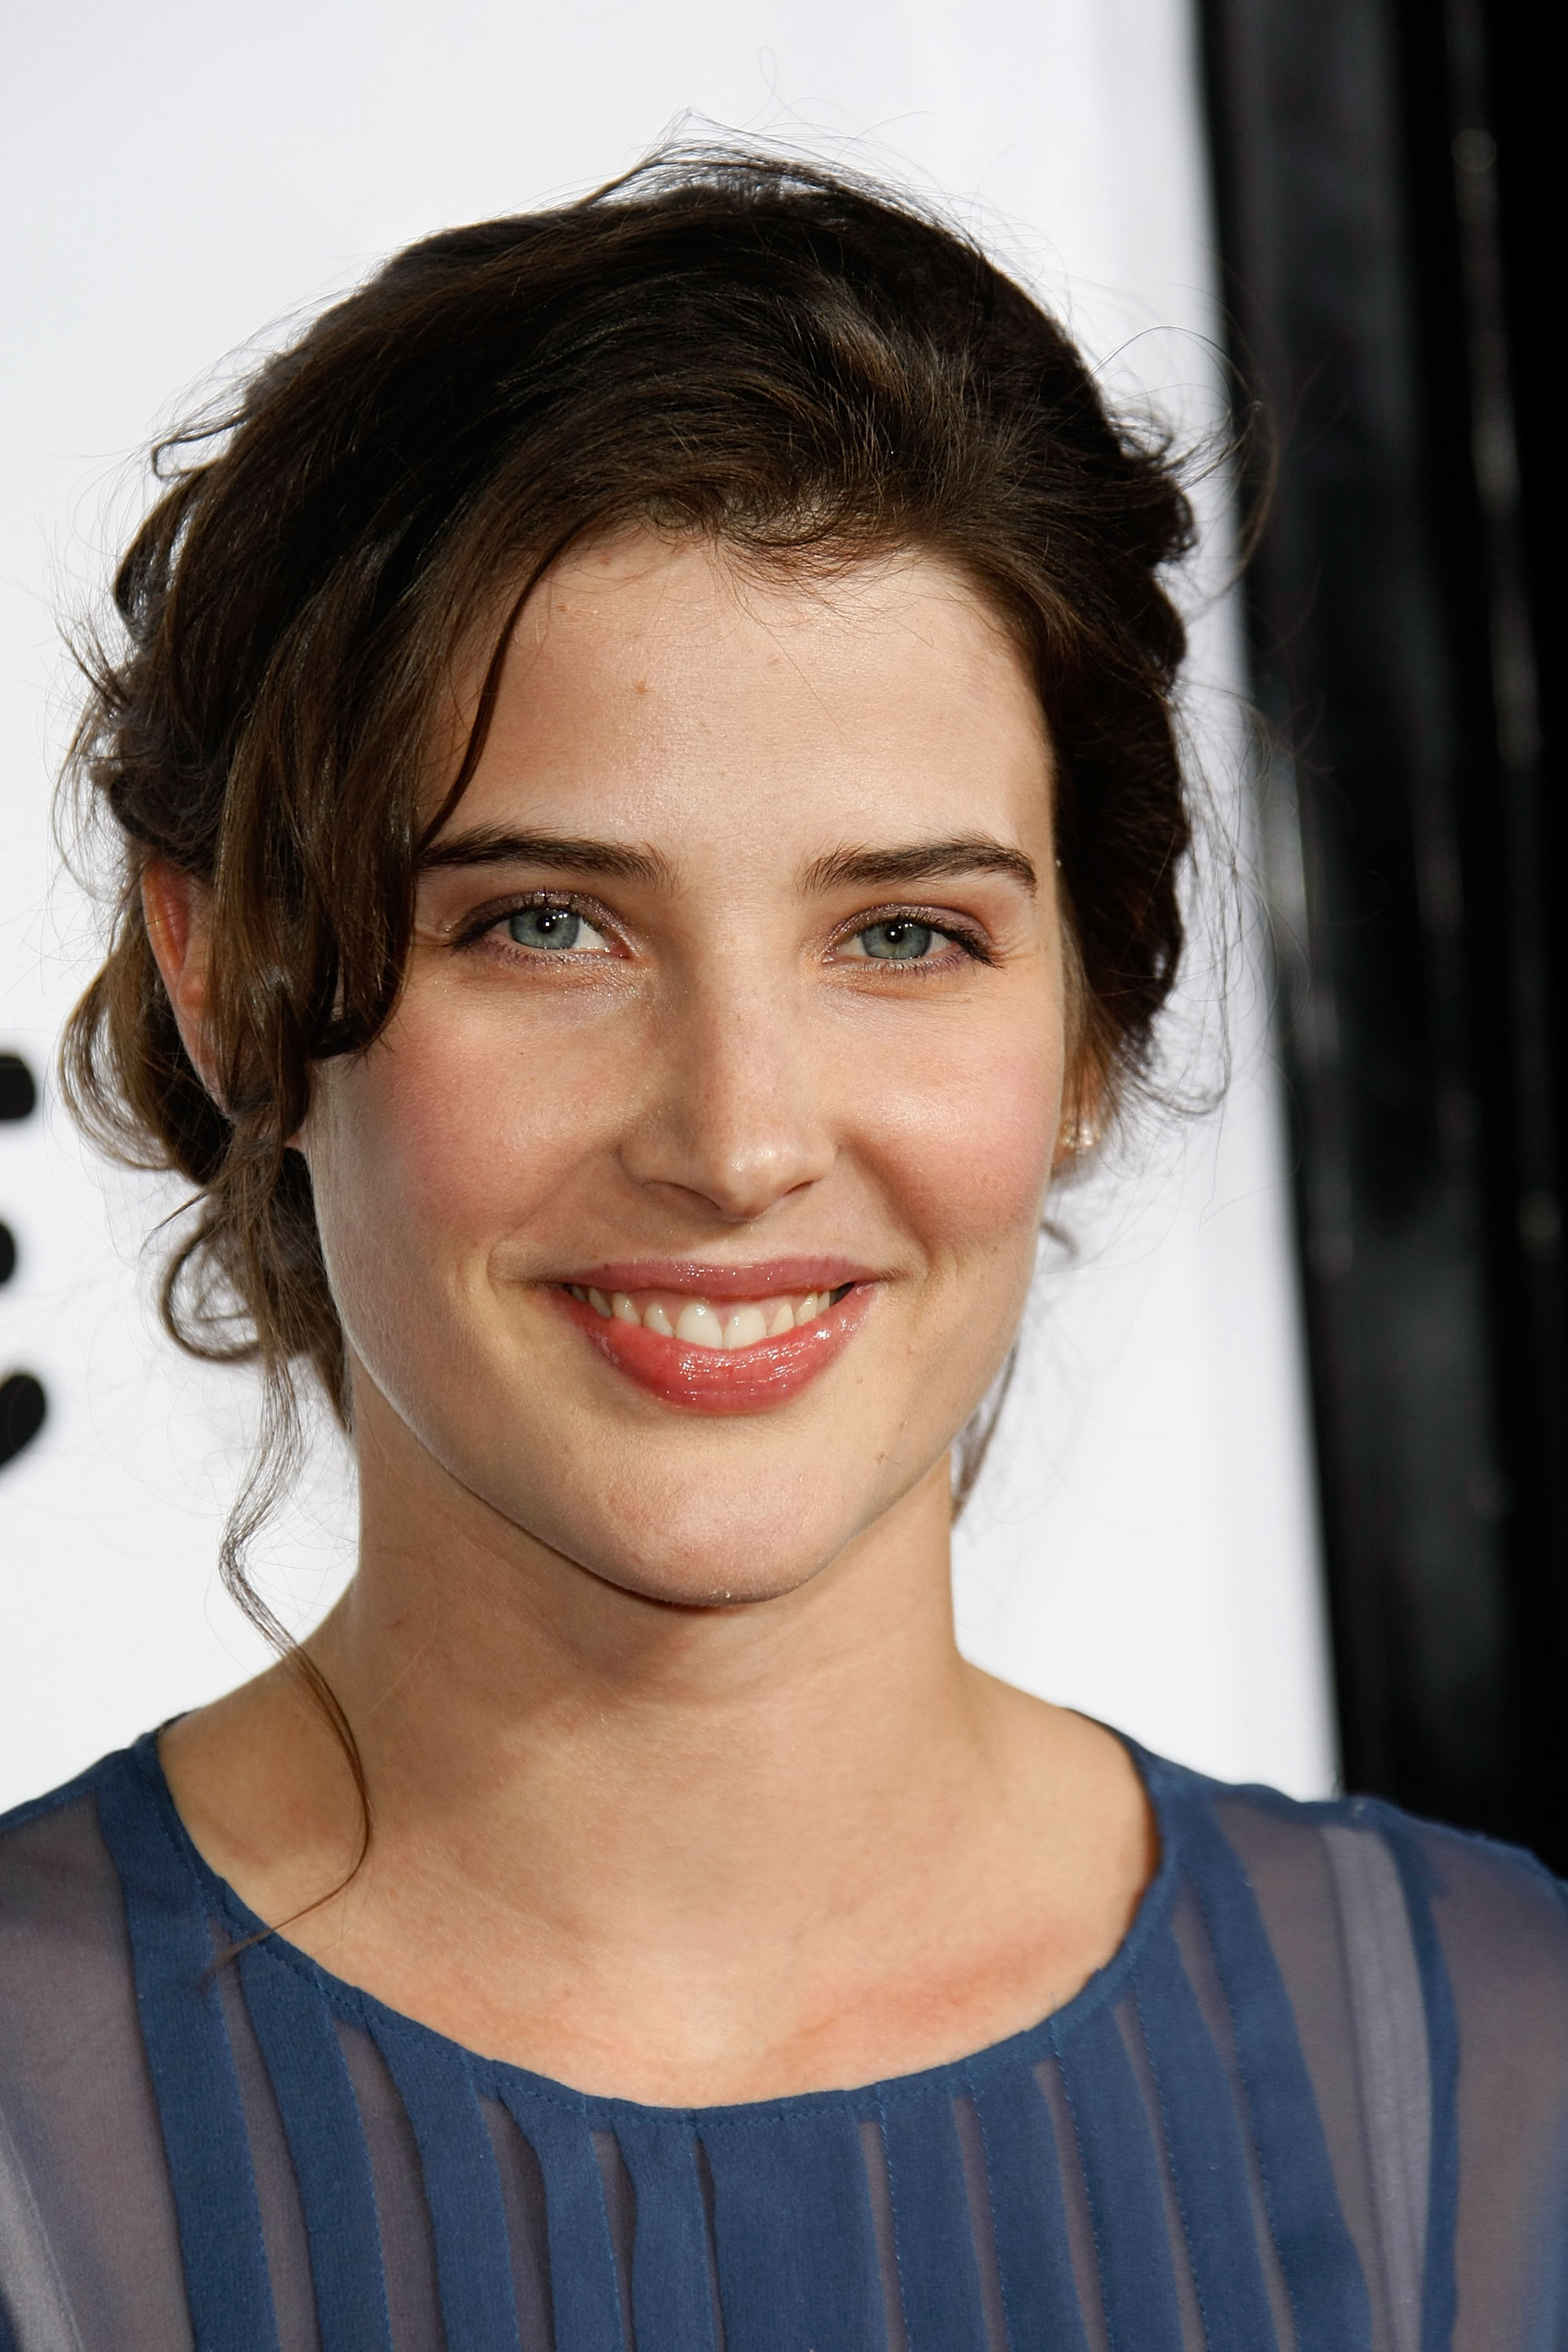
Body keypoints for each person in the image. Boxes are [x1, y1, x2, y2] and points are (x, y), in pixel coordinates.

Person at [1, 151, 1564, 2352]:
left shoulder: (1500, 2075)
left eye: (904, 935)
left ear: (1088, 1029)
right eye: (546, 925)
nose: (737, 1143)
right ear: (226, 980)